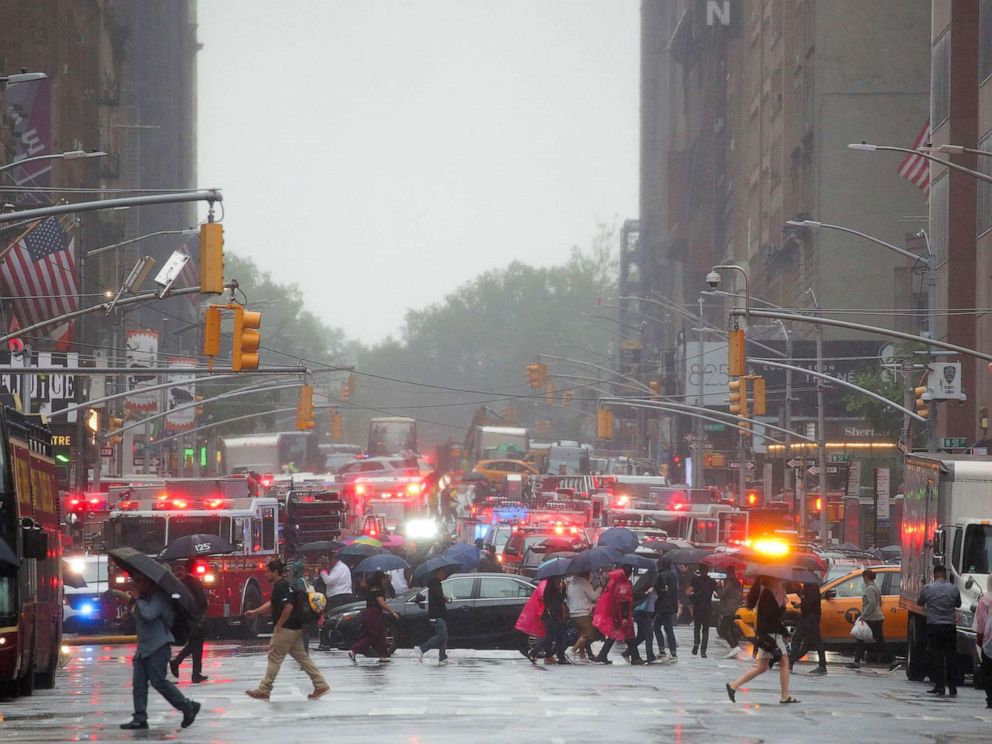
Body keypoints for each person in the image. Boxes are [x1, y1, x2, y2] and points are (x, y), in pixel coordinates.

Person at [115, 572, 200, 729]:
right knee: (139, 683)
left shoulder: (159, 598)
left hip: (158, 646)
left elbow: (149, 614)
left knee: (159, 681)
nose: (136, 584)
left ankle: (187, 706)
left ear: (148, 582)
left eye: (139, 581)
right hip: (144, 647)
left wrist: (136, 598)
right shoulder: (144, 598)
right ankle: (140, 717)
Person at [244, 560, 330, 701]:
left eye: (268, 572)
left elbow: (288, 607)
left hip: (287, 628)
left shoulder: (281, 586)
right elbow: (273, 604)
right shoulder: (284, 585)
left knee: (274, 658)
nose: (266, 575)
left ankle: (264, 689)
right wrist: (255, 612)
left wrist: (279, 624)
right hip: (295, 628)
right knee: (303, 658)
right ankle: (320, 684)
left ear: (276, 572)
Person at [726, 575, 798, 704]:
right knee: (785, 662)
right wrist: (782, 630)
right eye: (778, 579)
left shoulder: (770, 593)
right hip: (771, 635)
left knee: (762, 667)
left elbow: (770, 617)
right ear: (773, 580)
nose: (781, 581)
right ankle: (784, 696)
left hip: (767, 634)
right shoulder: (769, 595)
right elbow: (771, 618)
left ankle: (733, 686)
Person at [917, 564, 962, 696]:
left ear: (934, 574)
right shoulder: (954, 589)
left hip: (934, 626)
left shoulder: (927, 588)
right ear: (945, 575)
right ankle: (952, 686)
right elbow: (958, 604)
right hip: (949, 627)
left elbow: (920, 602)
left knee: (937, 656)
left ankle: (939, 686)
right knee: (951, 656)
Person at [592, 566, 642, 665]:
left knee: (616, 635)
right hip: (623, 616)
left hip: (615, 614)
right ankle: (635, 658)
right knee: (629, 636)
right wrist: (624, 617)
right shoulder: (624, 586)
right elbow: (624, 602)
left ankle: (603, 655)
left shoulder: (614, 584)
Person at [170, 561, 209, 683]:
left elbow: (176, 599)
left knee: (195, 643)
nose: (179, 572)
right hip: (191, 618)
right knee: (196, 643)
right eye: (177, 569)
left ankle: (190, 669)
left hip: (190, 617)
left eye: (181, 569)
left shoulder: (183, 583)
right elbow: (201, 601)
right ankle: (192, 672)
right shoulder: (188, 582)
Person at [349, 571, 400, 663]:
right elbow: (382, 604)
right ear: (380, 579)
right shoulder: (378, 590)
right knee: (371, 636)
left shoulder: (370, 588)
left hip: (370, 613)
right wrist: (393, 613)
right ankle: (354, 650)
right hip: (374, 614)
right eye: (384, 579)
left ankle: (383, 656)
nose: (385, 581)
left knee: (381, 634)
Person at [846, 568, 887, 669]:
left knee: (867, 639)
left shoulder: (869, 589)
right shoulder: (876, 587)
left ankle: (893, 660)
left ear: (866, 577)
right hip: (877, 616)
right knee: (869, 639)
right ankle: (856, 662)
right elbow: (879, 602)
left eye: (863, 578)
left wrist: (863, 616)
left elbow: (872, 603)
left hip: (871, 618)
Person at [317, 551, 354, 651]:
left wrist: (323, 571)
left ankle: (325, 643)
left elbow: (329, 580)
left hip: (338, 598)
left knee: (328, 619)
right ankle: (343, 640)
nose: (328, 563)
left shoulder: (338, 568)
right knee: (342, 620)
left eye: (328, 561)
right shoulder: (341, 567)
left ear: (333, 559)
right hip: (342, 596)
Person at [529, 576, 570, 664]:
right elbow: (551, 601)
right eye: (558, 578)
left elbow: (562, 598)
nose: (560, 579)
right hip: (550, 615)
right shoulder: (549, 587)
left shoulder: (559, 585)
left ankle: (557, 656)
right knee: (549, 636)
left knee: (560, 636)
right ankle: (534, 652)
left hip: (558, 615)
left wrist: (563, 589)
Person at [791, 575, 827, 674]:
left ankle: (790, 663)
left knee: (800, 638)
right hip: (810, 616)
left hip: (810, 617)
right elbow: (809, 601)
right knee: (807, 643)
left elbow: (809, 602)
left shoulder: (810, 586)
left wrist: (799, 592)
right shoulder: (809, 585)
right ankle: (790, 662)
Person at [415, 567, 451, 664]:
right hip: (436, 613)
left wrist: (443, 598)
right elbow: (438, 597)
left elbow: (438, 596)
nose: (444, 575)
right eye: (442, 573)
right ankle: (422, 649)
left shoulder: (436, 584)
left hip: (440, 613)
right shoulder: (435, 584)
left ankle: (442, 656)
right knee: (442, 634)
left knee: (444, 634)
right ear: (437, 573)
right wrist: (444, 599)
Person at [566, 572, 601, 661]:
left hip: (573, 612)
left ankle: (582, 656)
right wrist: (600, 588)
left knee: (581, 635)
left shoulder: (571, 583)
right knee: (587, 633)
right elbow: (594, 596)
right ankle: (572, 651)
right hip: (582, 613)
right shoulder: (583, 582)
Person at [688, 565, 717, 657]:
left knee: (697, 627)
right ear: (708, 571)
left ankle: (696, 643)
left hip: (697, 607)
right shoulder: (712, 582)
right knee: (705, 630)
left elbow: (688, 592)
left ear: (699, 571)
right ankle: (703, 651)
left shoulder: (695, 580)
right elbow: (717, 594)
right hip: (707, 607)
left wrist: (692, 597)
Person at [653, 556, 679, 660]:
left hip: (662, 605)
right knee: (666, 628)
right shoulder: (673, 575)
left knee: (660, 627)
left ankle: (666, 651)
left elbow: (658, 589)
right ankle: (671, 651)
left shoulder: (662, 575)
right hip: (671, 605)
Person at [717, 565, 744, 659]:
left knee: (724, 628)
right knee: (732, 628)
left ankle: (734, 646)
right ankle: (735, 646)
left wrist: (719, 587)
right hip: (736, 607)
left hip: (728, 608)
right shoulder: (737, 582)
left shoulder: (729, 582)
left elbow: (722, 595)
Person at [974, 574, 992, 709]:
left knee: (988, 670)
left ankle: (990, 697)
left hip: (988, 641)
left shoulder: (985, 600)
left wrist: (979, 638)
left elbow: (981, 622)